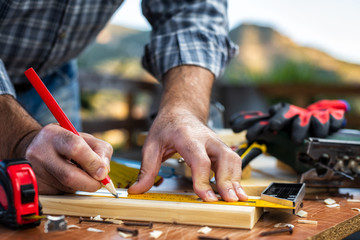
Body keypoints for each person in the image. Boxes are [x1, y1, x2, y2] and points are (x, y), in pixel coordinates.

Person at [0, 0, 247, 202]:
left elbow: (192, 10)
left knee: (64, 191)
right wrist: (20, 138)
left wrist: (184, 110)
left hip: (52, 75)